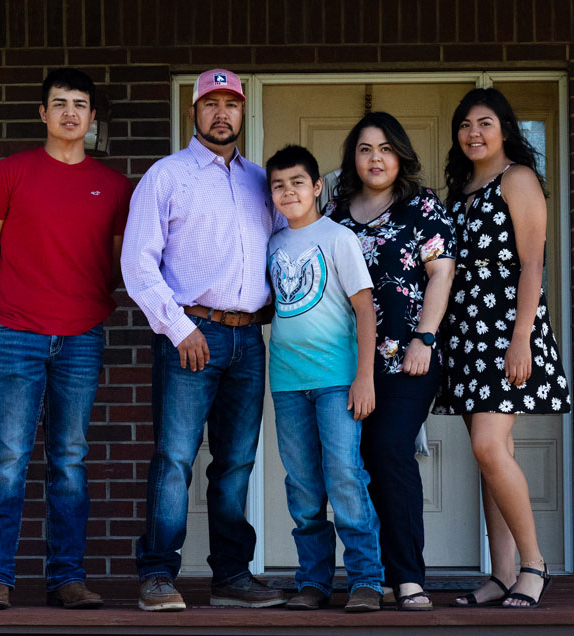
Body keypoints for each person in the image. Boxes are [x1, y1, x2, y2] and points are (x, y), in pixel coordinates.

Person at [121, 68, 287, 611]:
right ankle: (157, 576)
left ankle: (231, 577)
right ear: (193, 112)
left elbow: (286, 253)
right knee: (174, 458)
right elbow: (137, 264)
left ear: (243, 113)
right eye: (210, 103)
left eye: (231, 104)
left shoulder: (261, 181)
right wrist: (178, 327)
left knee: (236, 462)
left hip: (248, 339)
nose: (222, 113)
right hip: (190, 334)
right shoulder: (166, 176)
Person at [0, 68, 132, 610]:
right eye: (59, 103)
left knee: (69, 460)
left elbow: (112, 265)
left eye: (80, 104)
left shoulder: (112, 186)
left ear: (91, 118)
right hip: (17, 335)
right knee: (9, 457)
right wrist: (13, 306)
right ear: (42, 114)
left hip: (82, 337)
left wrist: (74, 305)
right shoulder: (10, 173)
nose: (69, 112)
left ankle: (68, 578)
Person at [433, 88, 571, 608]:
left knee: (490, 445)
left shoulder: (517, 179)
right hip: (466, 330)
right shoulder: (463, 188)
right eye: (465, 124)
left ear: (506, 130)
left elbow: (532, 264)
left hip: (507, 328)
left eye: (485, 123)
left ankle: (534, 565)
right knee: (493, 455)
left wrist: (522, 340)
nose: (474, 133)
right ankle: (502, 573)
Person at [327, 112, 456, 610]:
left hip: (408, 360)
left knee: (389, 451)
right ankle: (370, 574)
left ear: (399, 153)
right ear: (352, 159)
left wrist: (424, 337)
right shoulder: (334, 213)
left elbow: (441, 274)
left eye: (383, 148)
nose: (374, 158)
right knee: (353, 463)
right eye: (364, 149)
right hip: (347, 361)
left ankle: (408, 578)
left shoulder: (420, 206)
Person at [266, 145, 384, 613]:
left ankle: (366, 581)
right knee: (302, 484)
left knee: (345, 478)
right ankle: (313, 582)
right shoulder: (273, 242)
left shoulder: (338, 238)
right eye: (278, 185)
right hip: (288, 382)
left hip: (338, 380)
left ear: (317, 187)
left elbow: (365, 311)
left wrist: (365, 377)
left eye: (297, 182)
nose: (287, 191)